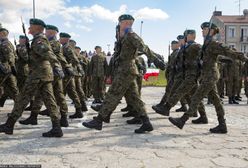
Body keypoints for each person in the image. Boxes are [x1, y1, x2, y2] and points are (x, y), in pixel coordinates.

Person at [82, 14, 165, 133]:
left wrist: (156, 60)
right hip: (125, 70)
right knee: (134, 98)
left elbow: (144, 47)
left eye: (121, 23)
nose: (120, 25)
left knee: (113, 93)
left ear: (125, 23)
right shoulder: (124, 36)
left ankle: (99, 120)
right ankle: (146, 123)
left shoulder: (131, 35)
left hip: (126, 70)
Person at [168, 22, 248, 134]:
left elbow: (228, 51)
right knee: (216, 100)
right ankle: (222, 124)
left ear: (211, 31)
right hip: (207, 75)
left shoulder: (213, 44)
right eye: (202, 29)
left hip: (210, 76)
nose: (202, 31)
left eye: (205, 29)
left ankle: (182, 120)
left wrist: (244, 58)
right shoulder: (206, 44)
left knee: (196, 97)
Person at [0, 18, 63, 137]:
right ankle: (57, 128)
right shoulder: (37, 39)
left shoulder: (39, 39)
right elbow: (34, 57)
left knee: (22, 98)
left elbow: (48, 53)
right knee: (50, 101)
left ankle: (9, 125)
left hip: (38, 74)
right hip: (44, 74)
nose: (29, 28)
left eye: (31, 26)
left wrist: (57, 66)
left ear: (37, 28)